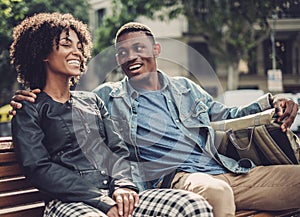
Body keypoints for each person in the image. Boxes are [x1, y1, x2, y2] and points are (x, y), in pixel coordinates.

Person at [10, 21, 300, 217]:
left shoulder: (184, 88)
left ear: (155, 50)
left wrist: (273, 104)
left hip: (228, 169)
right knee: (215, 193)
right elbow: (43, 159)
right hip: (178, 180)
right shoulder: (108, 96)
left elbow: (228, 116)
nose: (130, 57)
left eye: (138, 48)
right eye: (122, 53)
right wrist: (25, 100)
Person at [9, 13, 214, 217]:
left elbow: (117, 151)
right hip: (69, 202)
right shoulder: (28, 108)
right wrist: (100, 201)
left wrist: (124, 186)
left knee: (192, 205)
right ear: (43, 52)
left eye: (80, 47)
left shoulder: (93, 101)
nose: (77, 52)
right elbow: (38, 168)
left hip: (114, 194)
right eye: (66, 44)